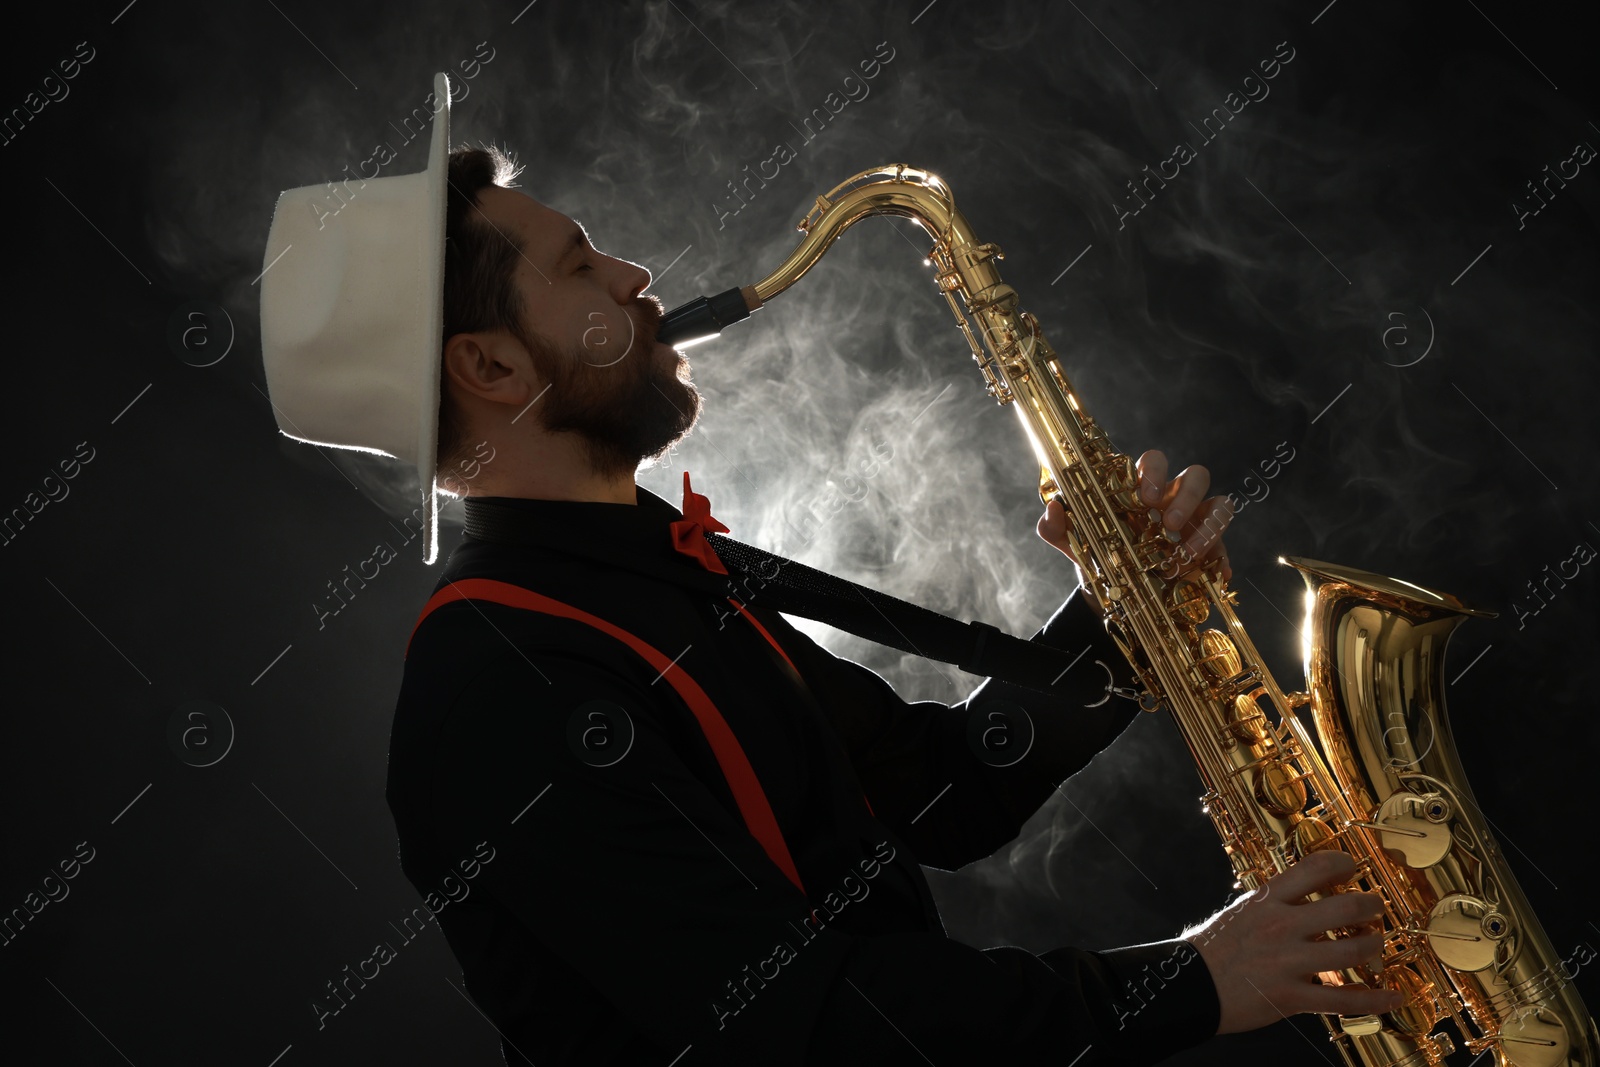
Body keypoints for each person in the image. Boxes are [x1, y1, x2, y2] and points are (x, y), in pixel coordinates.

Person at [259, 76, 1401, 1065]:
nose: (634, 271)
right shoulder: (500, 687)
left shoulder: (656, 567)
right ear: (494, 365)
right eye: (579, 265)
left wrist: (1122, 616)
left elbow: (936, 794)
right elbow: (805, 1028)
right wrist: (1193, 982)